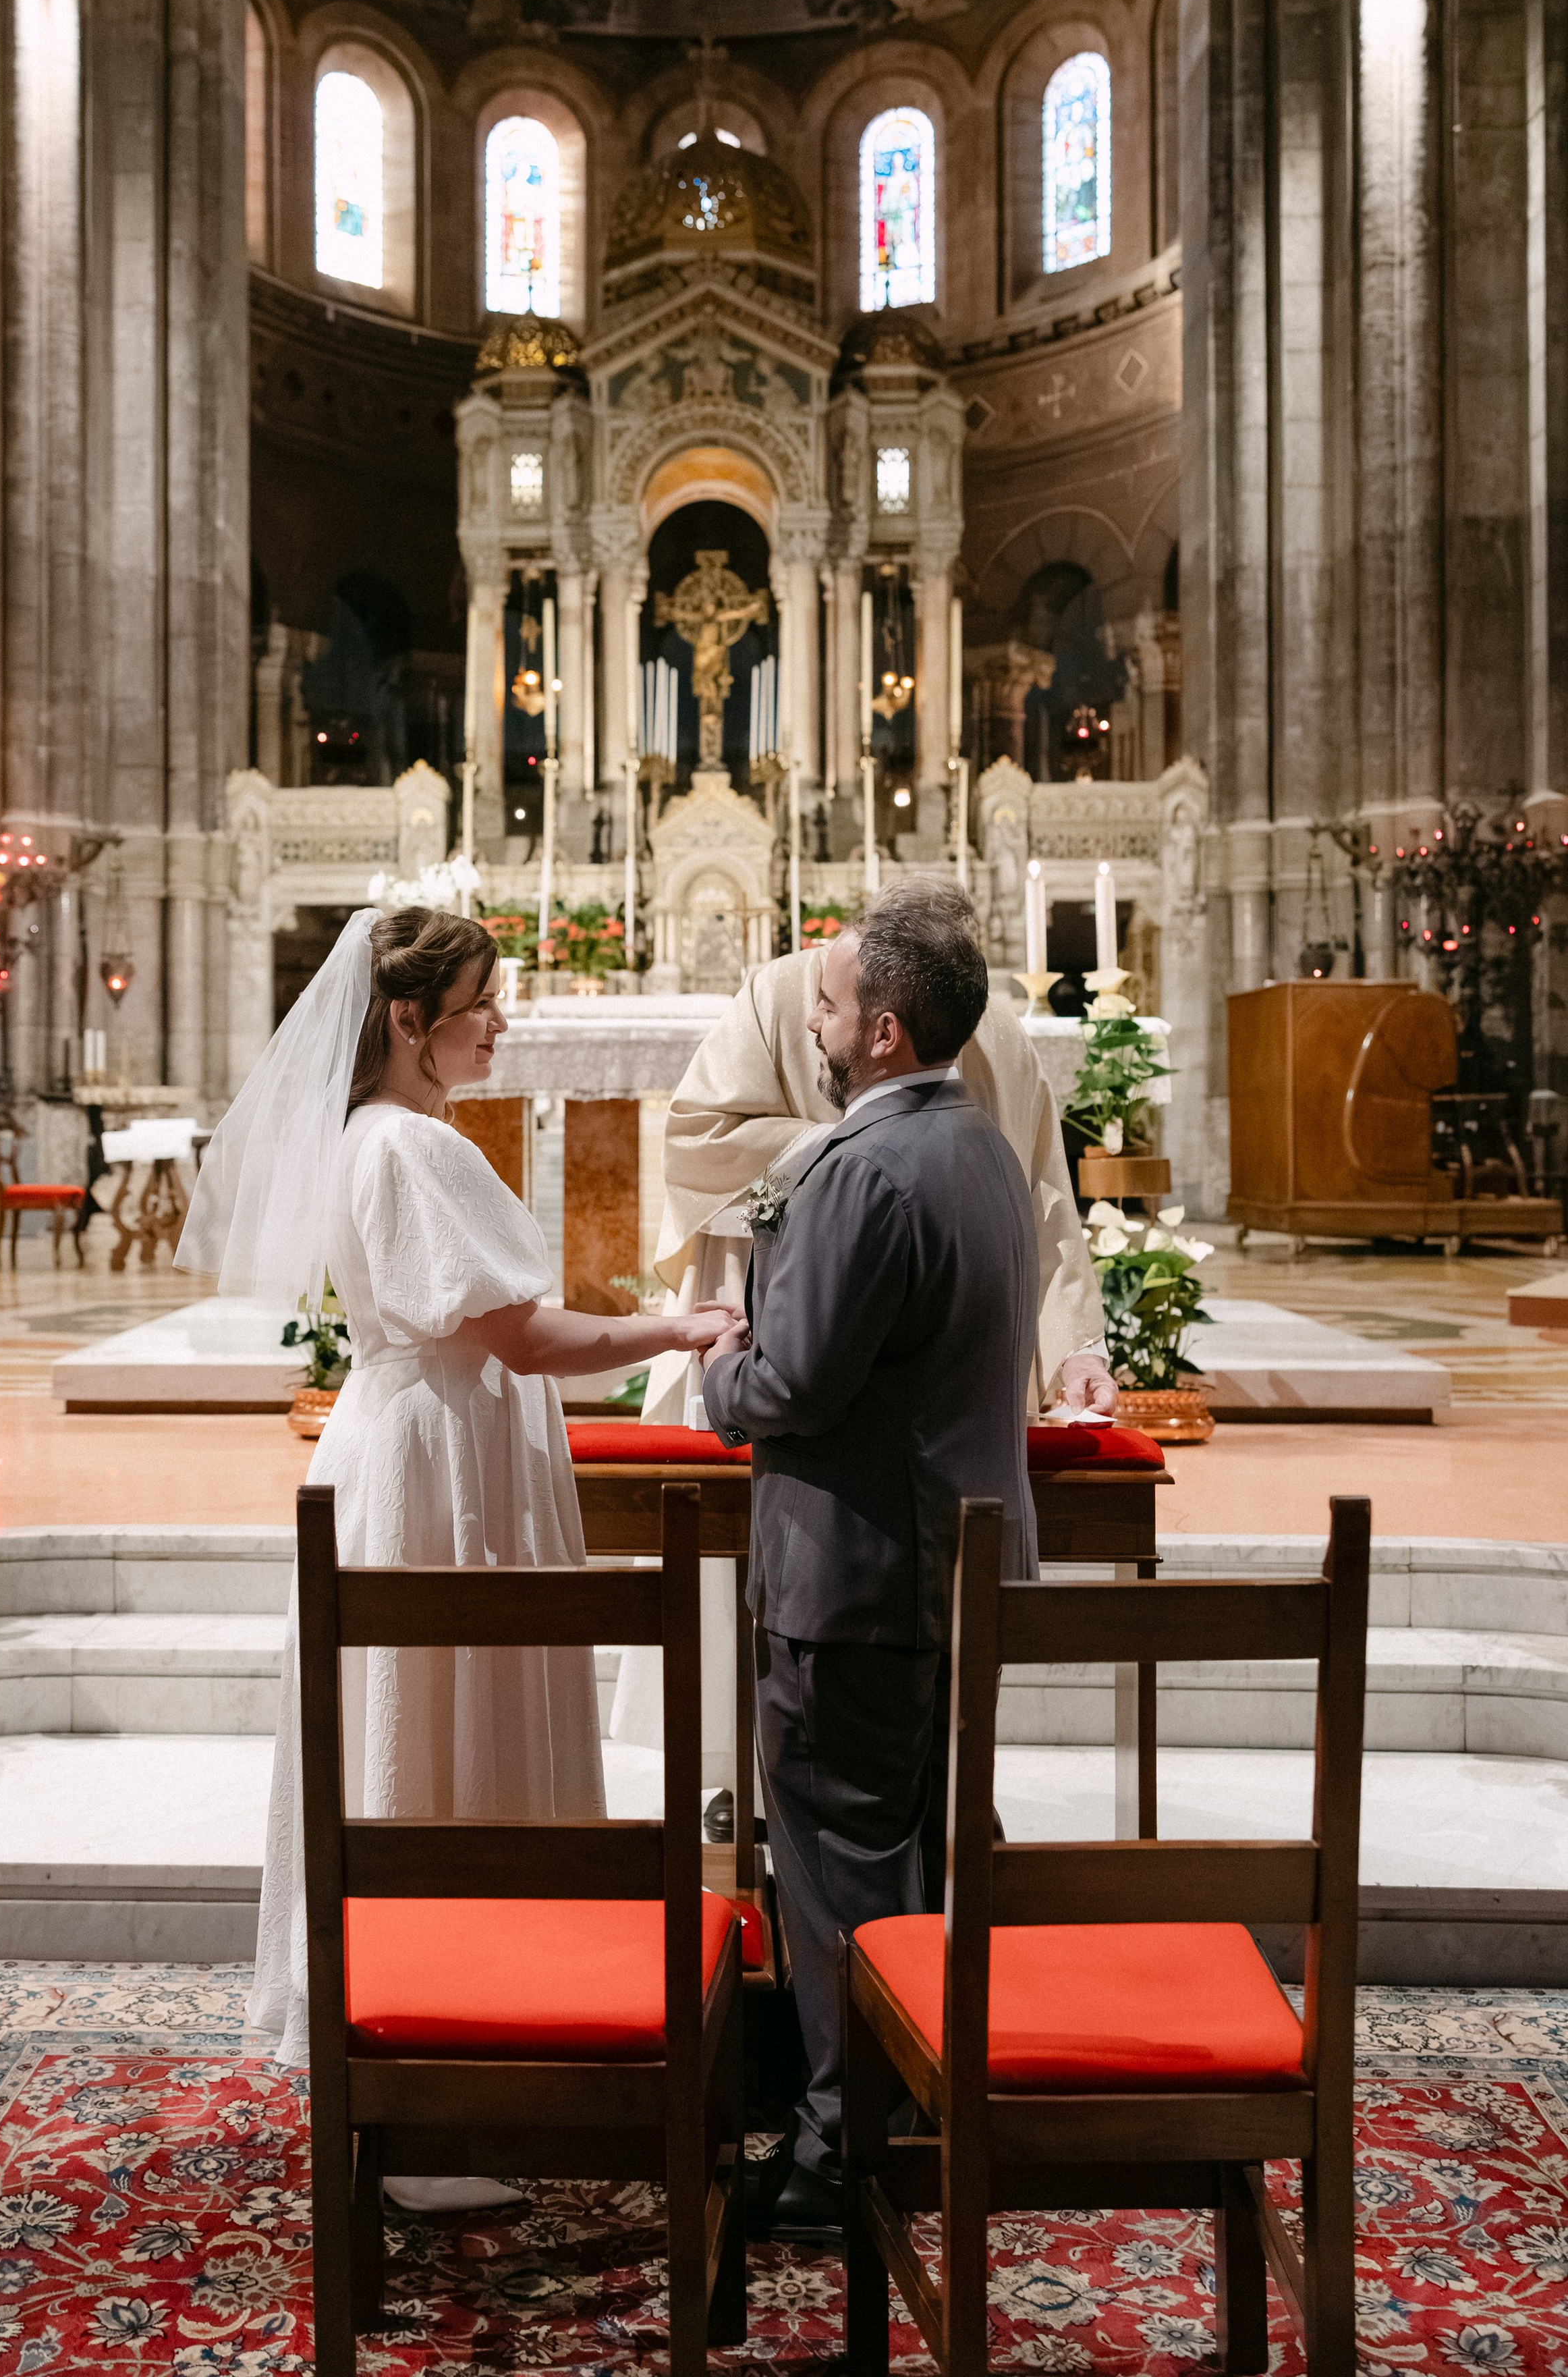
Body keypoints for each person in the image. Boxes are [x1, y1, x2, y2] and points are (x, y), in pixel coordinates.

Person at [177, 906, 739, 2195]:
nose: (504, 1022)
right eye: (484, 1002)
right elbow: (525, 1340)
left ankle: (441, 2036)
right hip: (442, 1466)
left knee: (421, 1724)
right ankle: (445, 2070)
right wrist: (680, 1330)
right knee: (446, 1723)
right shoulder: (410, 1151)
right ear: (407, 1020)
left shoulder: (373, 1138)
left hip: (416, 1445)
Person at [701, 883, 1038, 2237]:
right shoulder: (983, 1152)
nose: (816, 1019)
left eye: (831, 1002)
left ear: (885, 1032)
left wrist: (725, 1373)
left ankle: (842, 2149)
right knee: (906, 1856)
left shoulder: (863, 1170)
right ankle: (905, 2104)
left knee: (839, 1864)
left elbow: (791, 1381)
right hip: (953, 1566)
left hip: (856, 1580)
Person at [645, 883, 1114, 1427]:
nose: (815, 1023)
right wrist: (847, 1149)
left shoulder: (995, 1029)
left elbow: (1043, 1200)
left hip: (942, 1350)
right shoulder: (780, 993)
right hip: (779, 1310)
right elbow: (697, 1138)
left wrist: (1076, 1349)